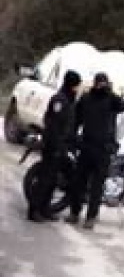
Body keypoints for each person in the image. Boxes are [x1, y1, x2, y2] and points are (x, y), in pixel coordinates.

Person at [68, 72, 124, 229]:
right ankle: (75, 213)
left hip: (102, 149)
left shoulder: (111, 99)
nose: (102, 86)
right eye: (100, 83)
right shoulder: (87, 98)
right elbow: (76, 119)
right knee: (79, 182)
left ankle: (90, 217)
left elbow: (123, 105)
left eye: (104, 83)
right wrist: (74, 138)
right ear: (95, 83)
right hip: (88, 146)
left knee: (96, 186)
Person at [28, 70, 82, 223]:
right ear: (72, 85)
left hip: (63, 146)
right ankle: (34, 211)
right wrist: (56, 146)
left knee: (53, 180)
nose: (78, 88)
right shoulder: (59, 100)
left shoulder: (69, 100)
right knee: (44, 179)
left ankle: (45, 209)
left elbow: (68, 126)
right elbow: (53, 125)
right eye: (77, 85)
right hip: (53, 146)